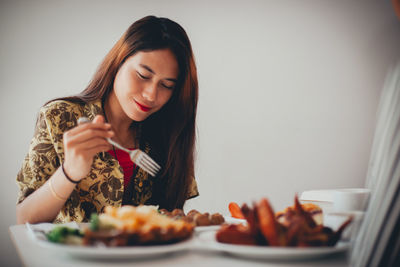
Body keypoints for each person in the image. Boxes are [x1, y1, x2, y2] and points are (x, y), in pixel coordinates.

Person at [16, 15, 199, 224]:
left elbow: (168, 219)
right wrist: (69, 173)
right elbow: (24, 219)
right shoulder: (59, 117)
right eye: (142, 75)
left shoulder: (169, 133)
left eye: (166, 85)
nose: (151, 94)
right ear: (118, 63)